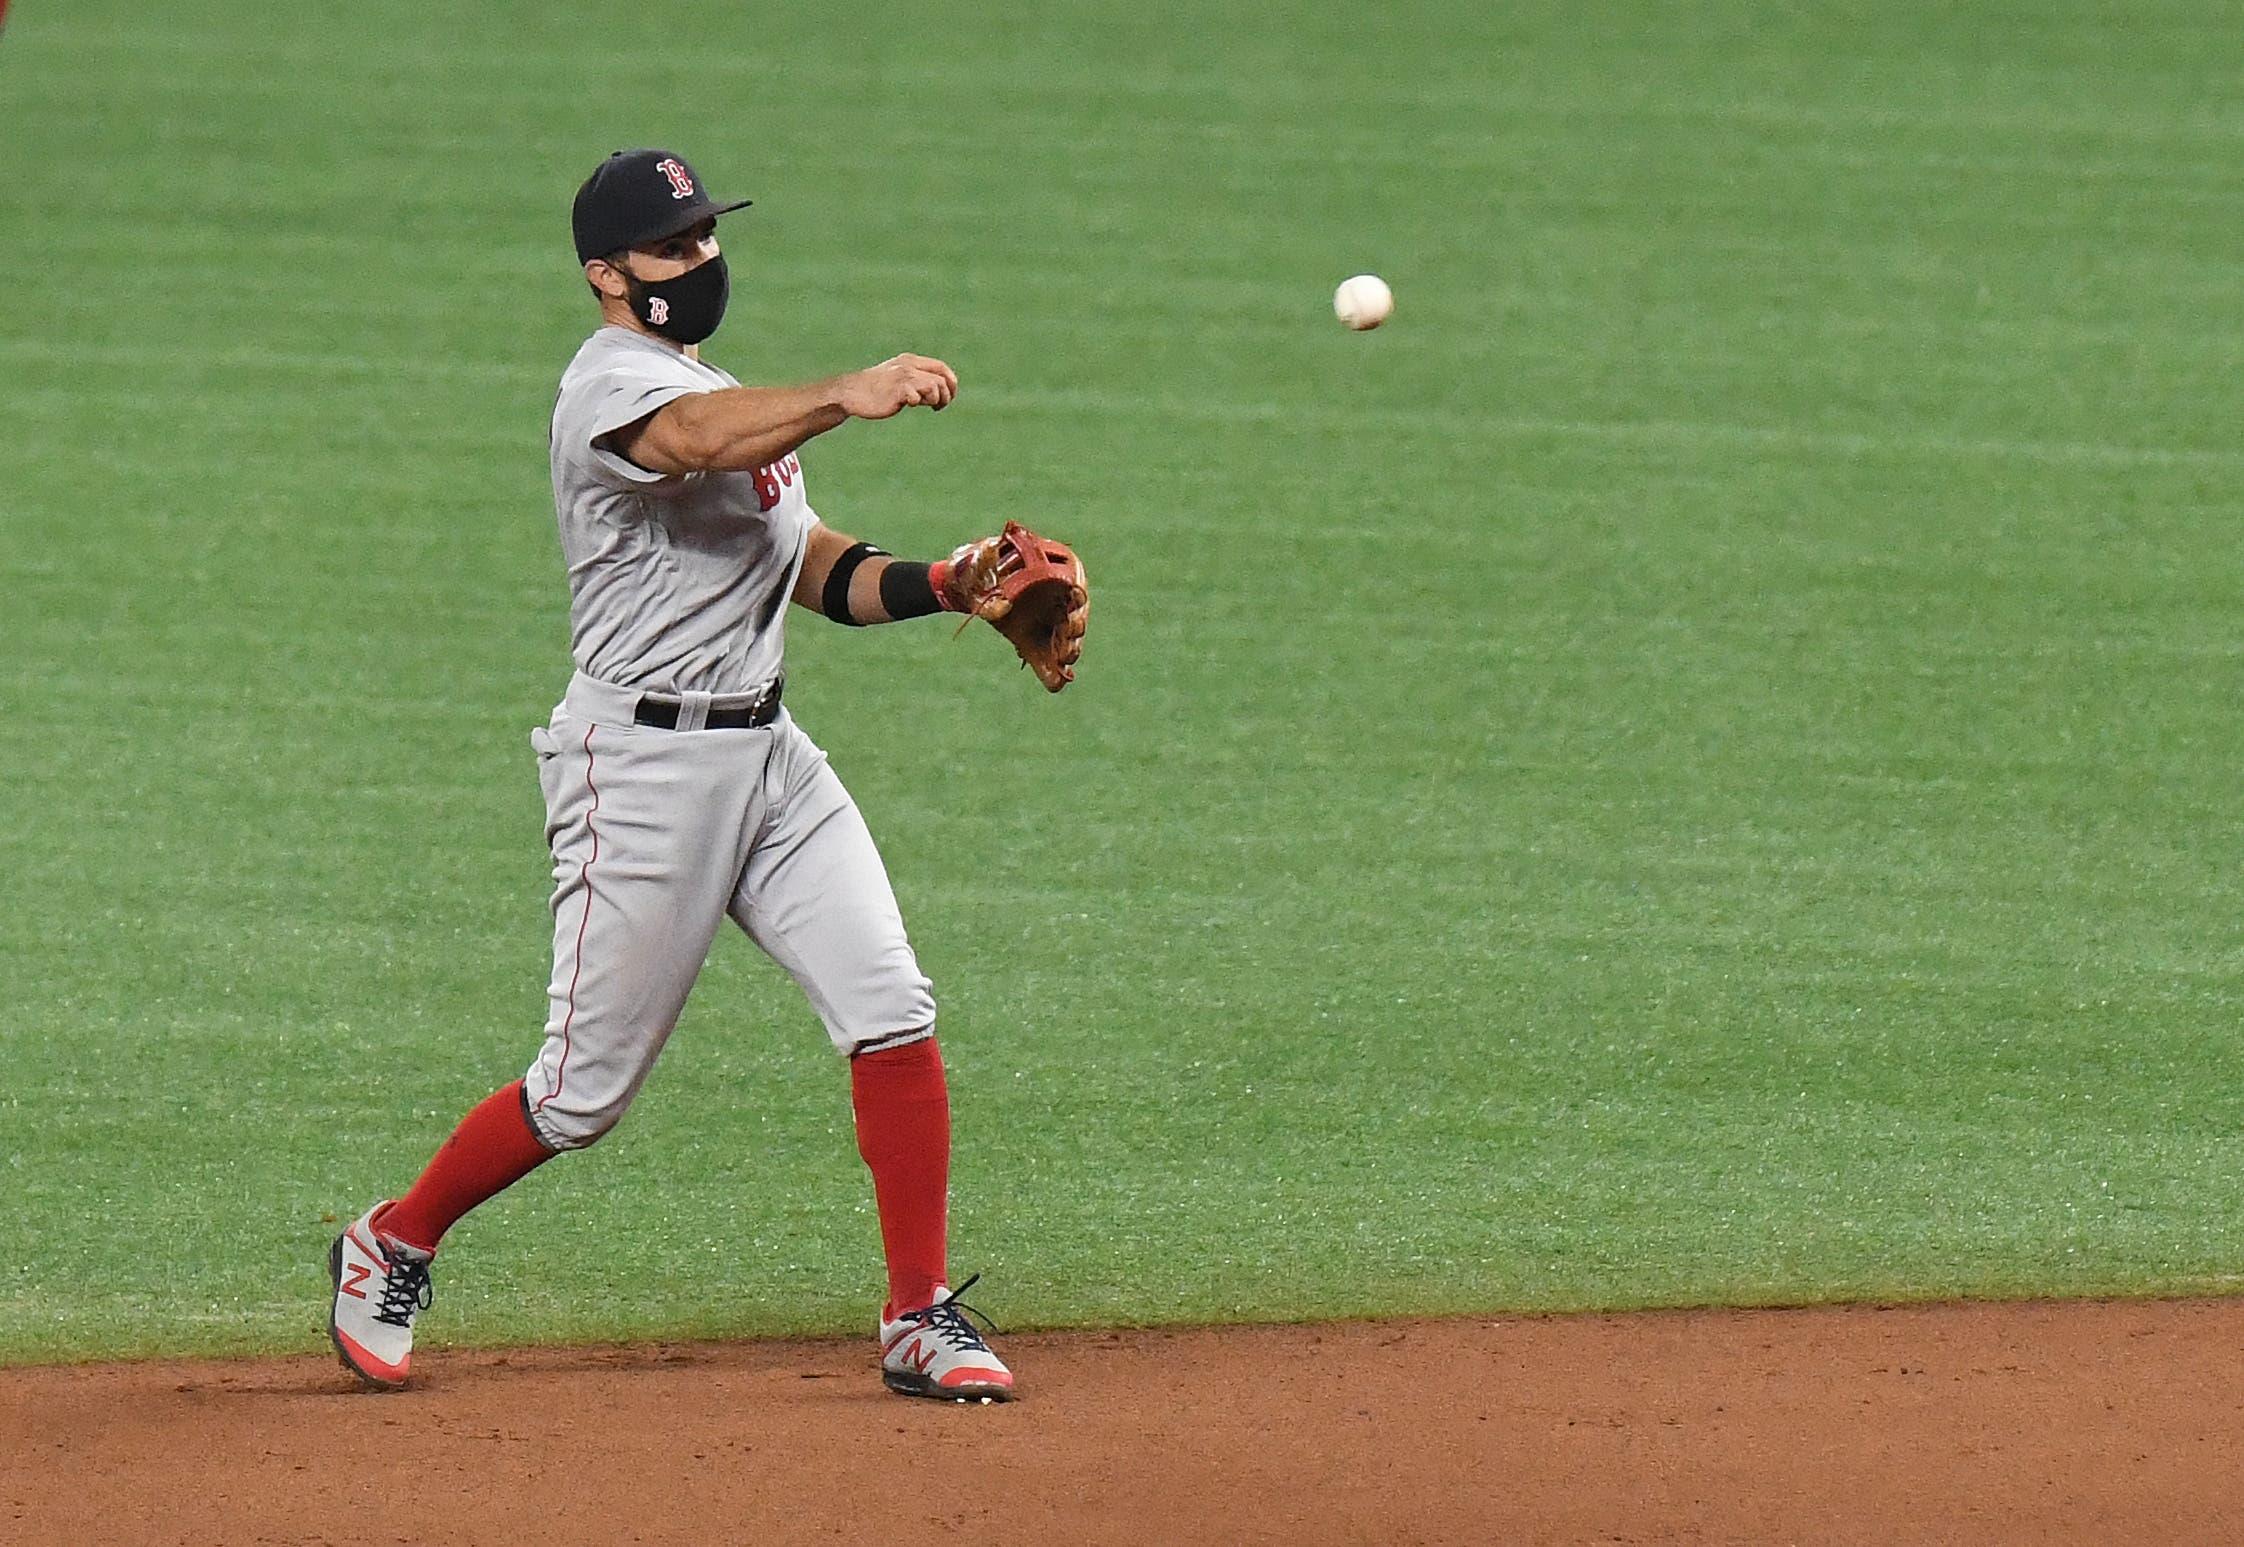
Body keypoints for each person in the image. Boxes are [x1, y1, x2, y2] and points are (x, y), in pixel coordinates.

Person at [326, 148, 1085, 1404]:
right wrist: (848, 390)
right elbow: (685, 442)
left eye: (706, 236)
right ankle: (393, 1238)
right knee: (580, 1096)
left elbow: (811, 569)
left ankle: (917, 1313)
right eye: (673, 247)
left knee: (891, 1001)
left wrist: (947, 583)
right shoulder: (612, 390)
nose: (701, 260)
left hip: (769, 757)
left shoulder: (726, 390)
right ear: (608, 275)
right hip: (641, 767)